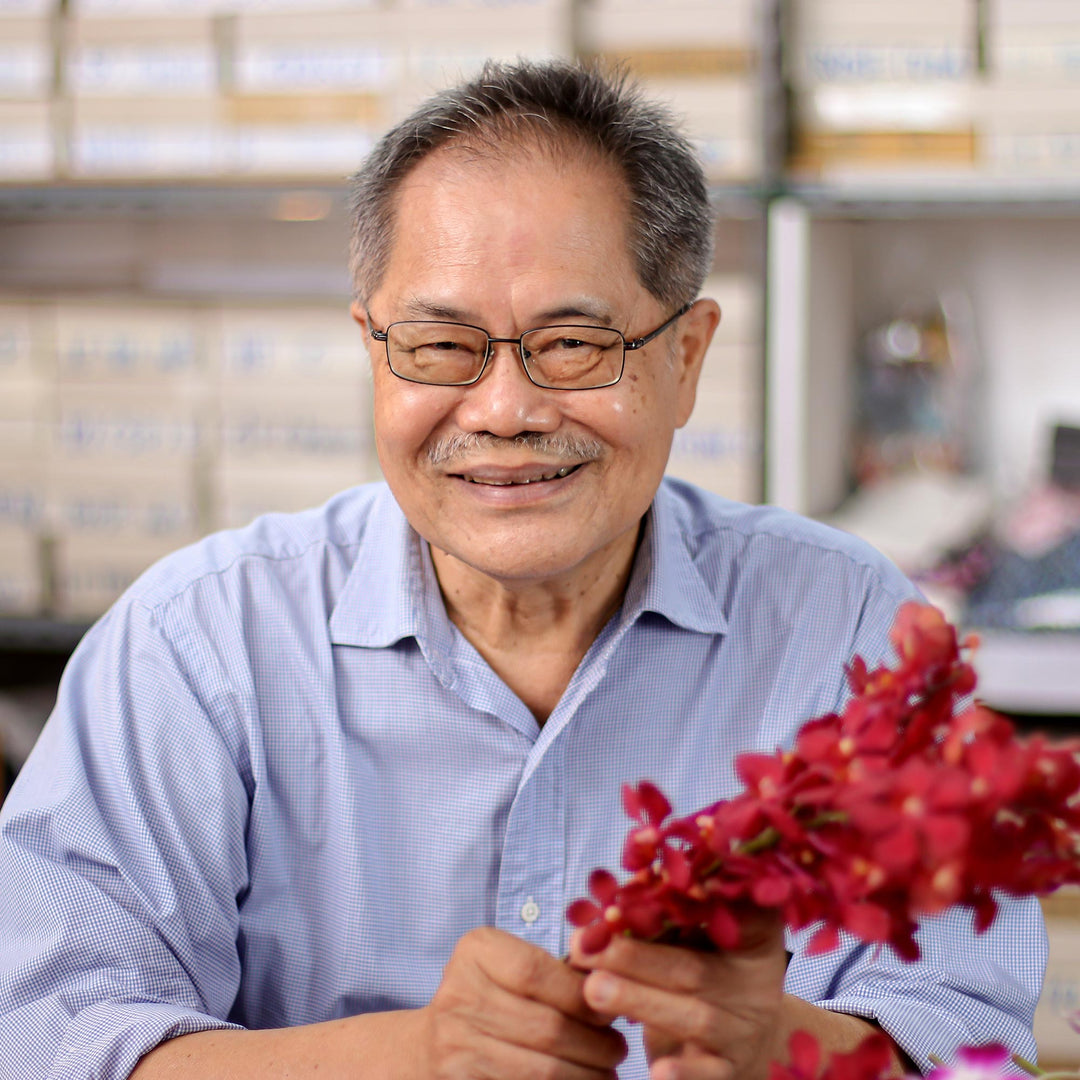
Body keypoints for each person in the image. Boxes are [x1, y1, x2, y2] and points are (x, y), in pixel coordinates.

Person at [0, 60, 1044, 1080]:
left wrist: (783, 1050)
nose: (504, 410)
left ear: (685, 359)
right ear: (373, 351)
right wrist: (410, 1059)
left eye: (576, 344)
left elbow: (969, 1044)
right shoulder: (197, 647)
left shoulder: (854, 633)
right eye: (443, 346)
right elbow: (50, 1038)